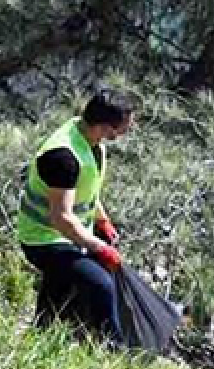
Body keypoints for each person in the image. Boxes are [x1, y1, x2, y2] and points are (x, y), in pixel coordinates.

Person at [17, 89, 136, 344]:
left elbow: (85, 191)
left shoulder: (90, 143)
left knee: (57, 293)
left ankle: (39, 339)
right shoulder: (63, 156)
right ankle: (116, 353)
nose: (124, 134)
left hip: (68, 236)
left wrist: (102, 220)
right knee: (101, 285)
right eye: (122, 129)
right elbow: (61, 217)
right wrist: (99, 247)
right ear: (105, 127)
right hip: (43, 239)